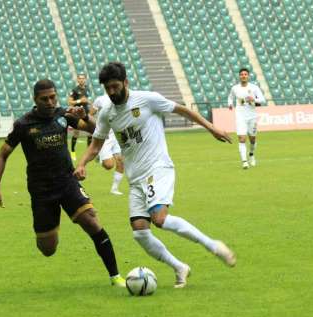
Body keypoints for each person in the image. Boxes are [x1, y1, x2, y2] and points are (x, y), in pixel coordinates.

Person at [75, 62, 236, 289]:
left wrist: (211, 128)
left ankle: (213, 246)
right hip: (136, 178)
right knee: (140, 232)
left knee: (159, 219)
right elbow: (95, 144)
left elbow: (182, 109)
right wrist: (82, 164)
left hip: (157, 168)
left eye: (115, 86)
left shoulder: (147, 99)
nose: (112, 92)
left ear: (125, 83)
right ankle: (179, 267)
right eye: (107, 88)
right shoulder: (107, 113)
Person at [0, 79, 126, 287]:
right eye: (45, 99)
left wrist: (85, 117)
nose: (51, 102)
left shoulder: (63, 115)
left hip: (67, 182)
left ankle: (116, 277)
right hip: (41, 191)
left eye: (53, 97)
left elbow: (96, 130)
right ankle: (49, 229)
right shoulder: (24, 125)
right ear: (35, 100)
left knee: (91, 221)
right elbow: (2, 155)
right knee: (48, 248)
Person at [228, 68, 266, 169]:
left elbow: (262, 100)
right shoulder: (235, 88)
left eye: (245, 74)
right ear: (239, 76)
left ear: (248, 76)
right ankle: (244, 161)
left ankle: (252, 154)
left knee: (252, 139)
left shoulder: (254, 88)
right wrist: (230, 103)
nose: (243, 76)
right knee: (242, 138)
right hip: (240, 116)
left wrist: (254, 99)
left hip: (252, 116)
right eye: (241, 74)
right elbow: (230, 97)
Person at [91, 94, 125, 195]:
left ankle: (114, 189)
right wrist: (97, 127)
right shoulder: (100, 99)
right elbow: (90, 114)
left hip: (116, 134)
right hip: (105, 136)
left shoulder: (122, 99)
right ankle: (98, 154)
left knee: (121, 161)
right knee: (109, 165)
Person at [67, 73, 91, 161]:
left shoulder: (87, 89)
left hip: (86, 113)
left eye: (83, 78)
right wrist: (80, 100)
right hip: (77, 114)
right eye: (80, 78)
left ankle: (89, 152)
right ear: (77, 80)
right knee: (76, 133)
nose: (81, 80)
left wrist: (89, 102)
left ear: (85, 79)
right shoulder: (74, 90)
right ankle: (73, 151)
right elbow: (70, 102)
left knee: (90, 133)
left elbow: (87, 100)